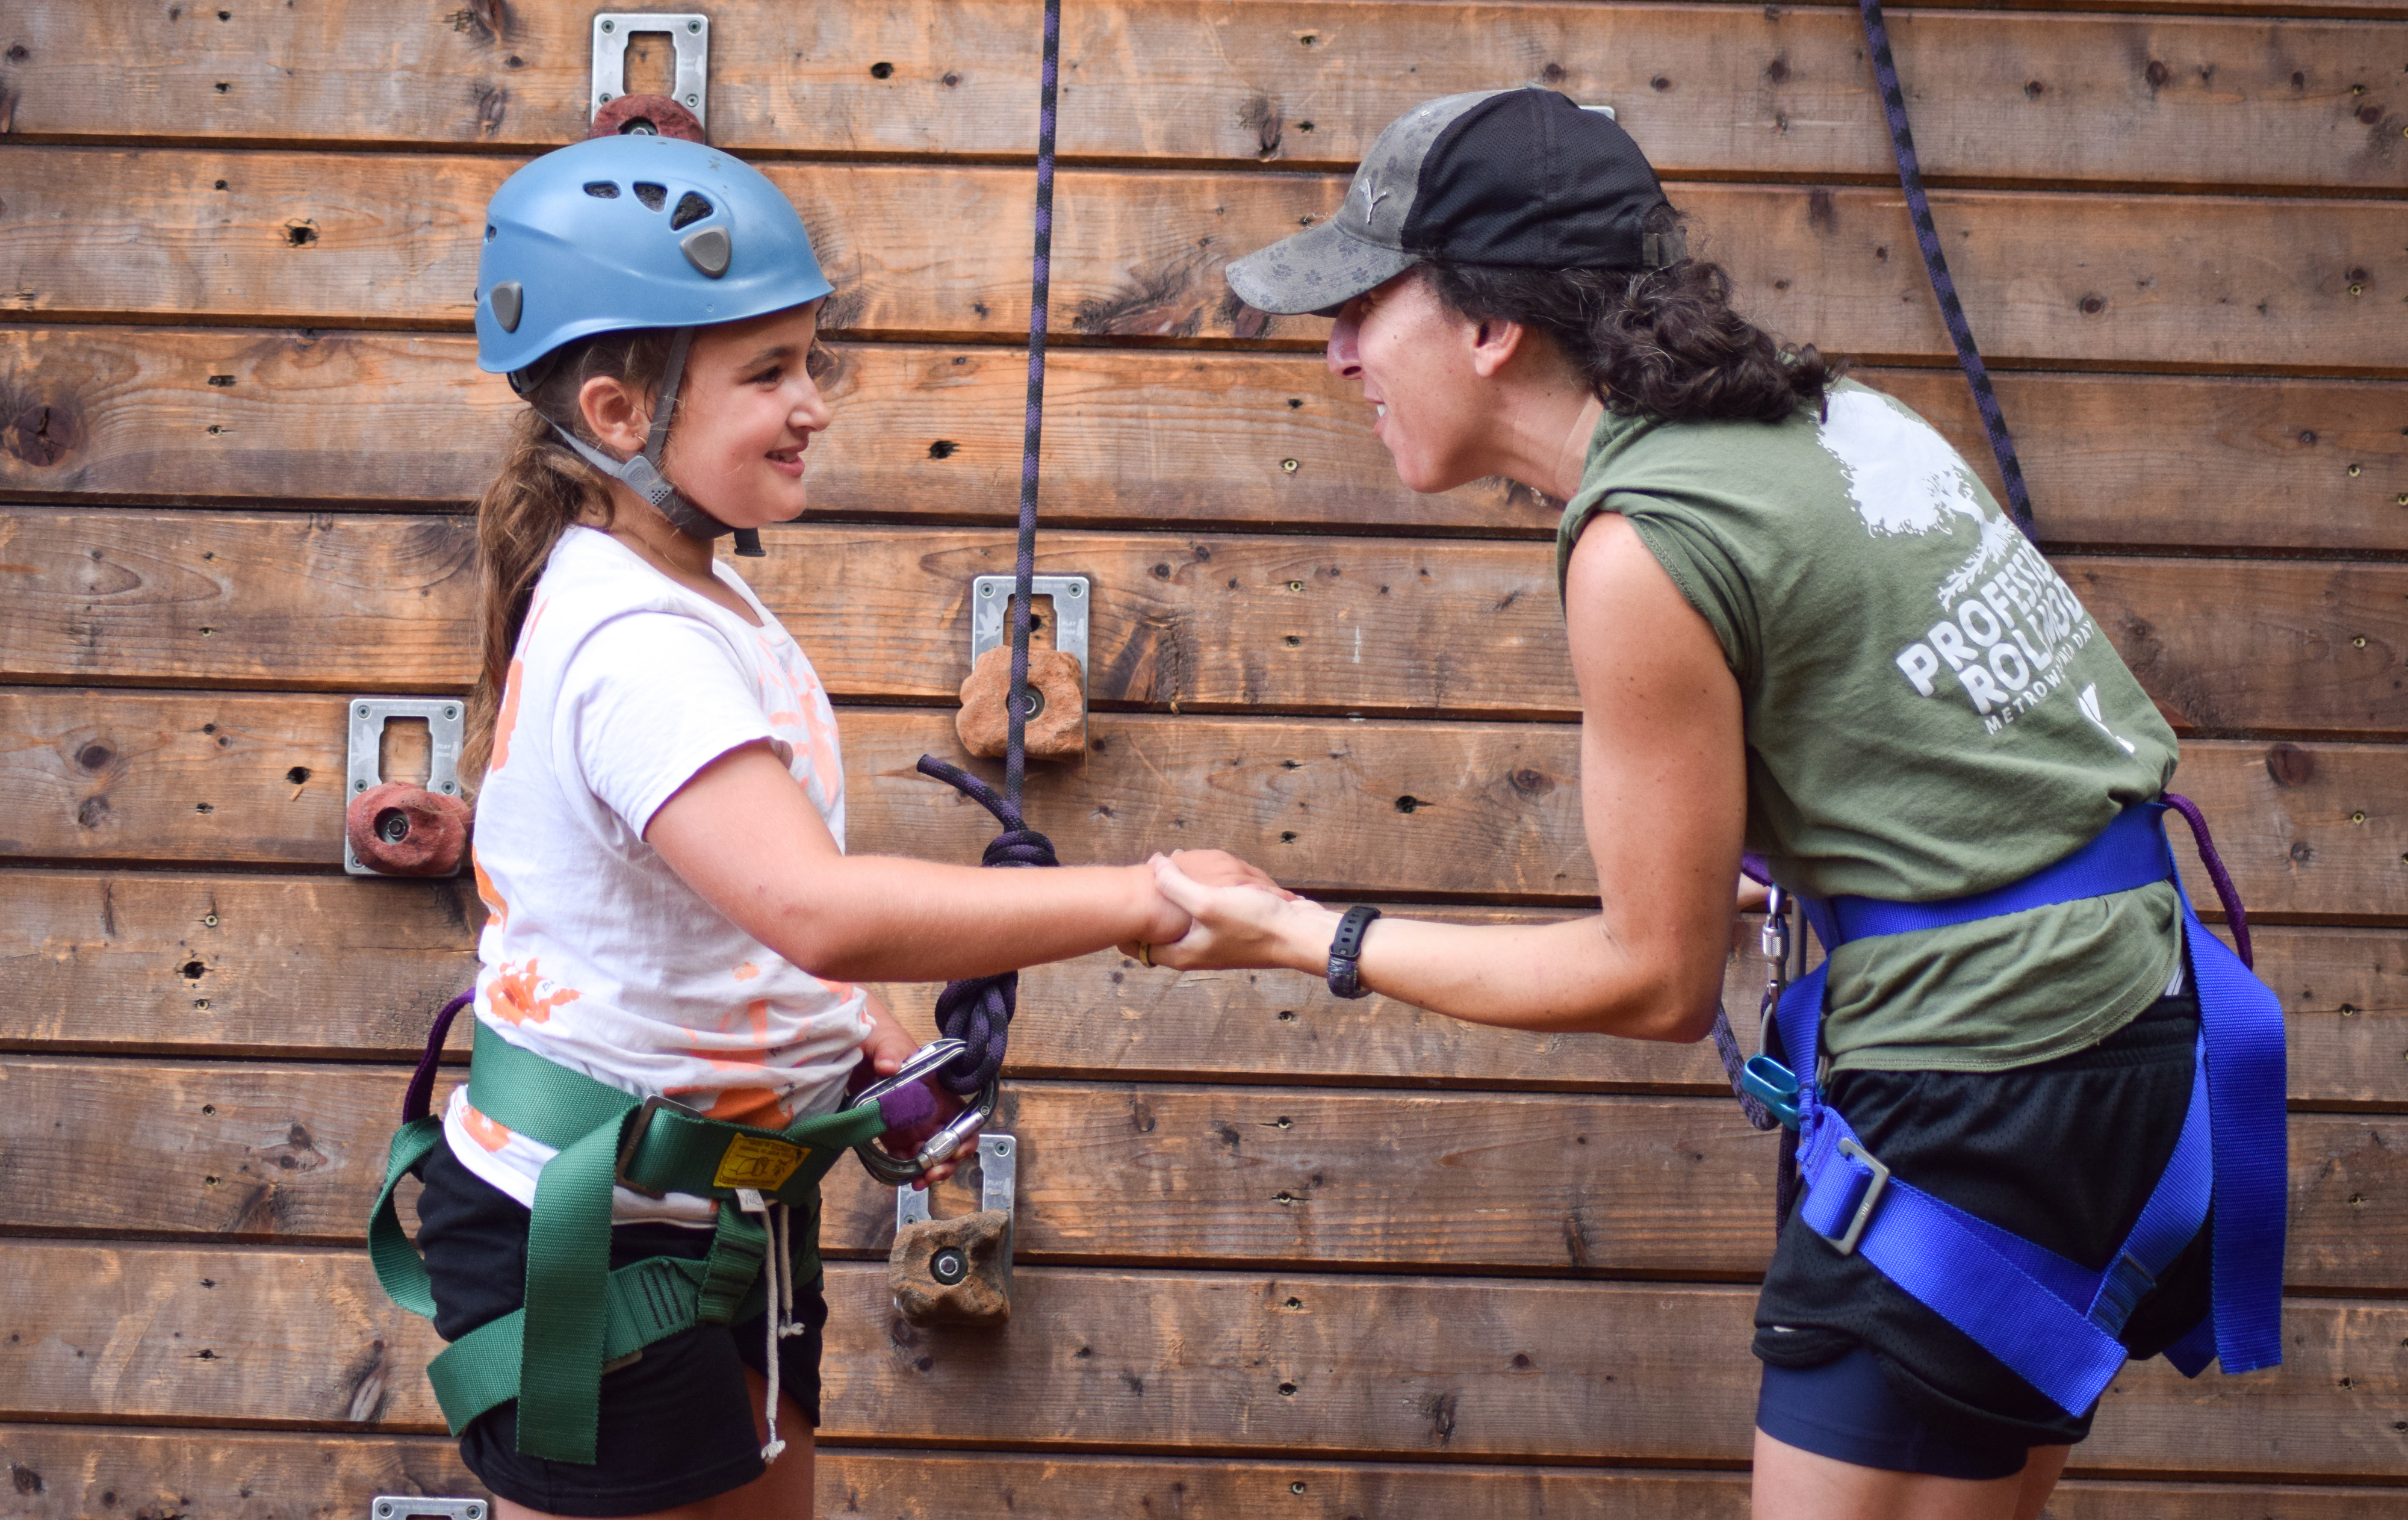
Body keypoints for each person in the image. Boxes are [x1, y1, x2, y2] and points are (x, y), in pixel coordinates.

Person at [1140, 88, 2279, 1520]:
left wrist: (1305, 934)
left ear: (1490, 326)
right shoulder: (1829, 417)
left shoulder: (1640, 545)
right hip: (2135, 1031)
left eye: (1367, 304)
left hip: (1982, 1081)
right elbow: (2007, 745)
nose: (1338, 350)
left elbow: (1653, 980)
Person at [386, 132, 1233, 1520]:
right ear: (616, 413)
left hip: (715, 1212)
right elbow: (813, 902)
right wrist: (1139, 898)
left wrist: (851, 1028)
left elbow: (734, 912)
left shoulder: (697, 593)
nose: (812, 405)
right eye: (766, 373)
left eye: (812, 362)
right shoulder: (636, 639)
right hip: (589, 1237)